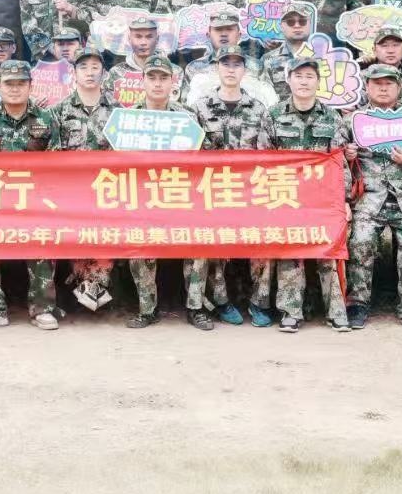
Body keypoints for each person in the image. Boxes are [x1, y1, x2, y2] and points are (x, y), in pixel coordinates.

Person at [260, 57, 351, 332]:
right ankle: (291, 311)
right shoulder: (273, 115)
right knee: (290, 247)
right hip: (285, 195)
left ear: (317, 82)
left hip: (322, 199)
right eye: (298, 76)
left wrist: (344, 201)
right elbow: (263, 161)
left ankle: (336, 311)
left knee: (329, 247)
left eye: (309, 76)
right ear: (289, 80)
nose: (303, 81)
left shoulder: (332, 117)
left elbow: (340, 163)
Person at [344, 64, 402, 331]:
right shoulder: (354, 121)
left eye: (389, 84)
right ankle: (357, 304)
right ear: (367, 87)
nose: (383, 89)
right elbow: (333, 158)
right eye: (377, 84)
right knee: (360, 242)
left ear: (399, 87)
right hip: (369, 197)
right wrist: (347, 154)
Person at [123, 56, 210, 329]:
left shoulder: (187, 116)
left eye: (163, 78)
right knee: (139, 243)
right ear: (143, 81)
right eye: (152, 78)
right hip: (142, 196)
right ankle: (147, 309)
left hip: (180, 194)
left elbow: (204, 156)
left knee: (198, 241)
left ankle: (195, 307)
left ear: (173, 82)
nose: (158, 84)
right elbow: (114, 160)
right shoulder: (128, 118)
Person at [0, 60, 60, 329]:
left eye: (20, 83)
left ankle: (42, 308)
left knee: (43, 236)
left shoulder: (46, 119)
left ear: (30, 86)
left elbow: (59, 164)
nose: (14, 89)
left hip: (34, 200)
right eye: (9, 83)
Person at [195, 46, 271, 329]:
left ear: (244, 71)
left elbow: (267, 154)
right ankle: (221, 301)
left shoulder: (259, 109)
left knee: (266, 239)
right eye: (225, 63)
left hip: (251, 192)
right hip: (213, 191)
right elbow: (192, 153)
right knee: (212, 240)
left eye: (236, 64)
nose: (230, 69)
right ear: (216, 68)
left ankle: (259, 302)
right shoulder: (201, 108)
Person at [53, 44, 120, 312]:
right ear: (74, 72)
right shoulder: (59, 111)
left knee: (105, 245)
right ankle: (81, 292)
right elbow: (53, 155)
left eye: (95, 67)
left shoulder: (118, 110)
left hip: (108, 191)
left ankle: (97, 292)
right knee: (78, 243)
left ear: (104, 73)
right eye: (83, 67)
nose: (90, 72)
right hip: (73, 193)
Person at [105, 16, 180, 104]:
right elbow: (108, 107)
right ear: (129, 39)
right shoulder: (116, 72)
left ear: (157, 39)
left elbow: (182, 107)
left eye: (149, 37)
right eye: (138, 37)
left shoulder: (175, 72)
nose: (143, 42)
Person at [258, 3, 318, 100]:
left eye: (302, 21)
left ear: (309, 24)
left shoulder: (324, 57)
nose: (297, 25)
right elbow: (264, 97)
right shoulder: (268, 60)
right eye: (290, 22)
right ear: (281, 26)